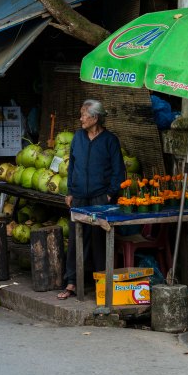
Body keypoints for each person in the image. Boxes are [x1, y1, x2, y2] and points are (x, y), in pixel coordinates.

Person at [57, 99, 125, 300]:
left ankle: (102, 285)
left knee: (98, 241)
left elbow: (118, 172)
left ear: (95, 118)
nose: (80, 119)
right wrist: (70, 192)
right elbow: (72, 167)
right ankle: (71, 282)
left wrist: (110, 194)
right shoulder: (78, 137)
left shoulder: (110, 140)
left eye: (83, 115)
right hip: (78, 197)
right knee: (76, 240)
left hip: (100, 198)